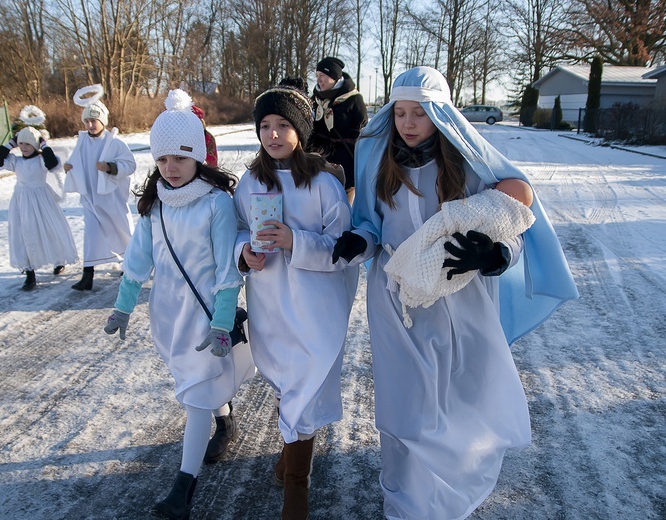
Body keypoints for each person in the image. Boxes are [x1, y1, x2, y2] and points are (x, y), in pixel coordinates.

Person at [332, 66, 579, 520]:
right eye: (400, 113)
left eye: (419, 114)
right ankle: (403, 501)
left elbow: (508, 221)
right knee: (403, 404)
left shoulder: (469, 168)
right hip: (394, 300)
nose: (407, 123)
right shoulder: (379, 161)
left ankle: (445, 499)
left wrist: (494, 255)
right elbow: (370, 222)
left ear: (441, 116)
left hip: (458, 301)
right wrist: (359, 242)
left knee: (454, 400)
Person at [103, 89, 254, 520]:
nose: (171, 168)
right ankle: (225, 419)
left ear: (198, 158)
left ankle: (182, 490)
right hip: (168, 317)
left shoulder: (216, 203)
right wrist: (123, 306)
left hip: (205, 317)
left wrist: (223, 322)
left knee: (194, 397)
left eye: (181, 159)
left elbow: (228, 270)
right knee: (197, 388)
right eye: (163, 159)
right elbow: (137, 261)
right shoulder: (155, 206)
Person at [233, 79, 358, 520]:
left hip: (315, 308)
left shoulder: (323, 185)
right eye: (264, 125)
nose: (272, 134)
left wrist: (295, 241)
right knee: (288, 383)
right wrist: (244, 253)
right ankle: (287, 462)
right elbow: (235, 231)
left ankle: (295, 496)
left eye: (283, 124)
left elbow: (343, 249)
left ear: (300, 131)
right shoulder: (248, 183)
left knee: (304, 389)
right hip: (271, 306)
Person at [64, 85, 137, 291]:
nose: (89, 125)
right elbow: (77, 162)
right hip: (90, 198)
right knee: (91, 235)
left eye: (93, 121)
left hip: (110, 198)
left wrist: (111, 167)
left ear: (102, 121)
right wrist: (69, 167)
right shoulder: (82, 142)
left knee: (122, 231)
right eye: (86, 121)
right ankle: (88, 275)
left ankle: (130, 264)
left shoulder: (114, 143)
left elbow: (130, 165)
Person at [0, 124, 78, 291]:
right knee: (24, 233)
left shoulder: (41, 161)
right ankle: (29, 272)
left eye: (28, 144)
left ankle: (59, 258)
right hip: (21, 201)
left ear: (36, 145)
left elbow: (52, 163)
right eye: (21, 144)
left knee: (49, 229)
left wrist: (43, 145)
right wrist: (10, 144)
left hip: (41, 200)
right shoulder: (15, 161)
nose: (24, 148)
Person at [310, 56, 368, 204]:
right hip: (320, 157)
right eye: (317, 76)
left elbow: (363, 131)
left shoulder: (353, 99)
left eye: (322, 76)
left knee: (343, 200)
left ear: (334, 77)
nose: (318, 80)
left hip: (346, 159)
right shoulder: (315, 99)